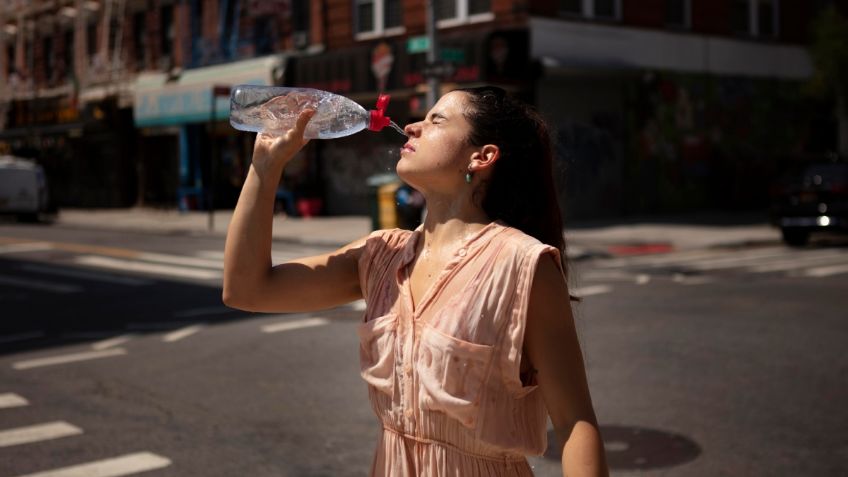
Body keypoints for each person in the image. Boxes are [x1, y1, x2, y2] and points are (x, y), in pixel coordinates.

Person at [223, 86, 609, 477]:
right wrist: (265, 168)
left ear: (482, 156)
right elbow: (247, 290)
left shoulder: (523, 264)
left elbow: (574, 422)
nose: (411, 127)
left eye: (436, 120)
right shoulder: (379, 255)